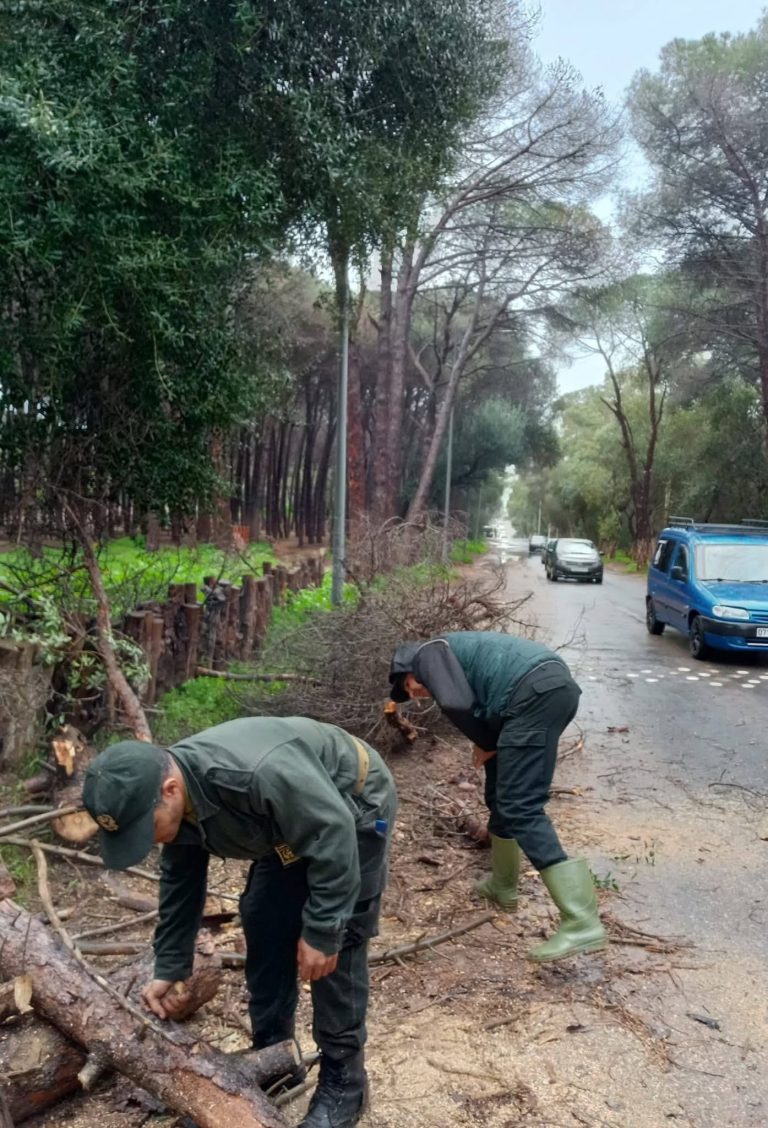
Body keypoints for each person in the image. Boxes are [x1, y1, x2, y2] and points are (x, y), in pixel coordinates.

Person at [82, 716, 397, 1128]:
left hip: (351, 806)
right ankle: (275, 1060)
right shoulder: (181, 799)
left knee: (338, 942)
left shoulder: (251, 774)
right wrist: (172, 965)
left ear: (170, 790)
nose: (152, 841)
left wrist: (323, 931)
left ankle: (345, 1083)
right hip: (288, 826)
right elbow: (181, 877)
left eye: (147, 828)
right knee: (263, 917)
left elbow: (331, 834)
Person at [388, 631, 605, 962]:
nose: (415, 695)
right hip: (544, 691)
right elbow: (477, 704)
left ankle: (581, 922)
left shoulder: (427, 655)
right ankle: (503, 886)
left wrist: (485, 742)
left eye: (408, 687)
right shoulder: (449, 653)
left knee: (521, 806)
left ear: (409, 669)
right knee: (500, 789)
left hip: (532, 696)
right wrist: (490, 743)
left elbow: (457, 704)